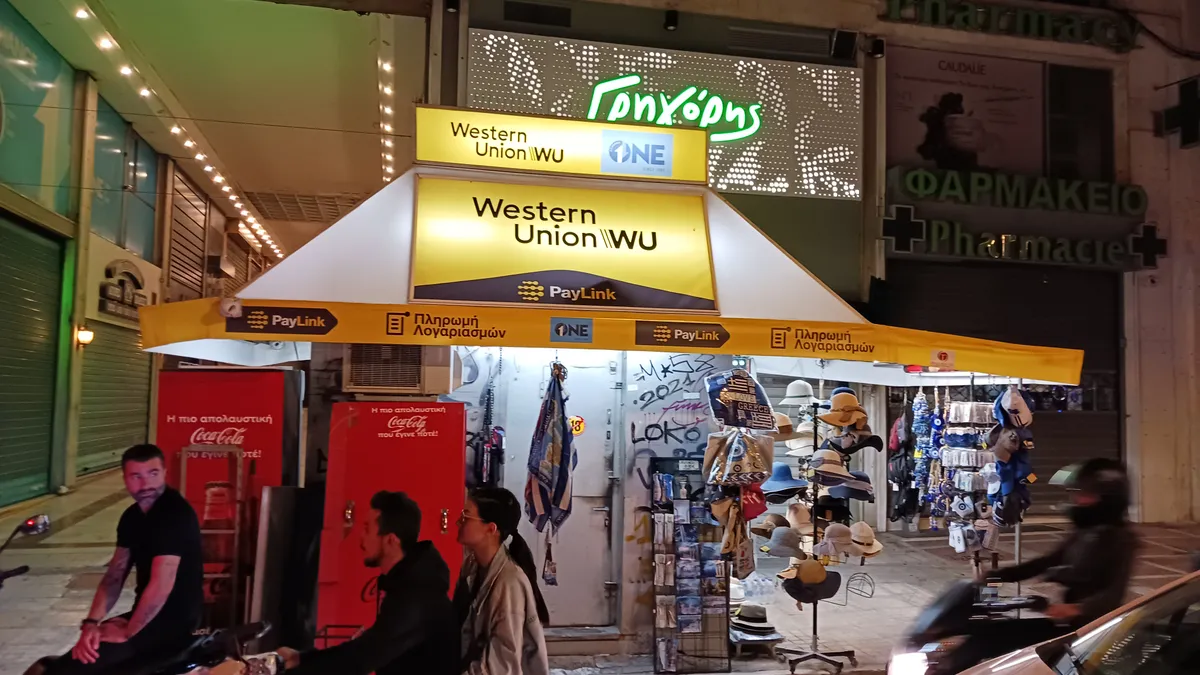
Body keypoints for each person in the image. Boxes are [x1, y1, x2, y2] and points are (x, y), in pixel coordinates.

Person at [26, 444, 204, 675]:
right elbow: (114, 576)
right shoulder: (131, 517)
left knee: (65, 669)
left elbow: (161, 584)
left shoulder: (174, 514)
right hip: (146, 617)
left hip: (173, 624)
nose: (146, 484)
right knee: (56, 664)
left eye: (153, 474)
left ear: (164, 473)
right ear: (125, 479)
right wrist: (91, 624)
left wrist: (129, 631)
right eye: (136, 476)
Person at [960, 458, 1138, 668]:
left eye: (1086, 495)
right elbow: (1046, 561)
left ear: (1107, 500)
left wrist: (1075, 608)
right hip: (1065, 621)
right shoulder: (1085, 532)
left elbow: (1113, 594)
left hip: (1090, 630)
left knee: (999, 642)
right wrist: (999, 576)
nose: (1078, 499)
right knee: (988, 635)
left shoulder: (1123, 540)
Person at [278, 490, 458, 675]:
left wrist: (300, 666)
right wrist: (301, 659)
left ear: (390, 540)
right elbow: (365, 648)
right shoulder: (408, 584)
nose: (361, 536)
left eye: (367, 528)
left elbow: (362, 659)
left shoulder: (417, 596)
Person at [454, 487, 550, 675]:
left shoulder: (509, 584)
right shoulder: (472, 565)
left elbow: (501, 667)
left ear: (491, 528)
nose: (458, 522)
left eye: (466, 516)